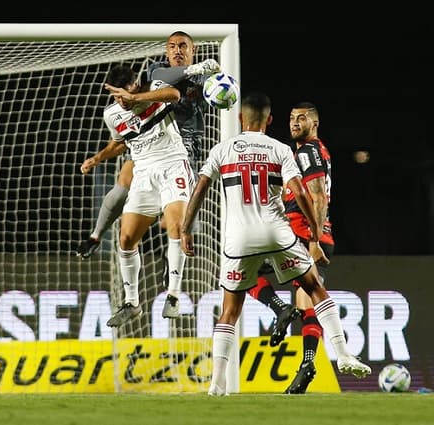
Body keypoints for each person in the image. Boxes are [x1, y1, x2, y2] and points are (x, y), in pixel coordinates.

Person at [180, 91, 371, 396]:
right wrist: (315, 235)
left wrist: (185, 229)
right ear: (269, 120)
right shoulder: (281, 149)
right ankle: (344, 353)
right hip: (278, 234)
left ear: (240, 118)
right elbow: (304, 193)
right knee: (315, 289)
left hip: (238, 238)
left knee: (229, 311)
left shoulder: (222, 149)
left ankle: (217, 384)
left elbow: (200, 190)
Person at [75, 30, 217, 260]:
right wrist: (98, 157)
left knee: (173, 219)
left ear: (194, 50)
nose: (177, 51)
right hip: (149, 144)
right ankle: (95, 236)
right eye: (172, 46)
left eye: (182, 46)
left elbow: (219, 94)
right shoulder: (156, 71)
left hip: (184, 146)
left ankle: (170, 258)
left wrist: (219, 84)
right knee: (123, 182)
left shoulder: (206, 78)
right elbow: (167, 80)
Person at [80, 64, 194, 324]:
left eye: (125, 94)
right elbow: (119, 143)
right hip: (143, 175)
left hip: (172, 164)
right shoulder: (112, 114)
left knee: (176, 225)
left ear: (136, 85)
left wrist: (135, 98)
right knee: (126, 238)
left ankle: (174, 295)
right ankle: (131, 303)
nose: (122, 101)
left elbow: (175, 95)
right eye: (117, 97)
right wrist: (97, 158)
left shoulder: (154, 90)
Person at [247, 101, 334, 394]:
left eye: (303, 118)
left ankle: (278, 308)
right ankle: (307, 364)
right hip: (313, 237)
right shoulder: (306, 152)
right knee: (307, 303)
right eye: (292, 118)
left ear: (315, 123)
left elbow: (319, 196)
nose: (295, 122)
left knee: (243, 272)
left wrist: (313, 240)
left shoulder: (308, 151)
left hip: (301, 237)